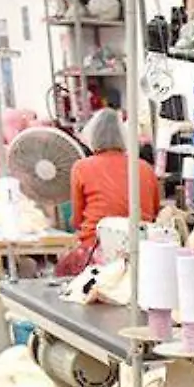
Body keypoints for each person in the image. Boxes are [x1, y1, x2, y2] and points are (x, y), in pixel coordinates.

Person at [57, 108, 159, 276]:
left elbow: (77, 221)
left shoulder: (81, 168)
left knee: (63, 270)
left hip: (97, 250)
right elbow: (153, 213)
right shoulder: (145, 168)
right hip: (141, 251)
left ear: (92, 136)